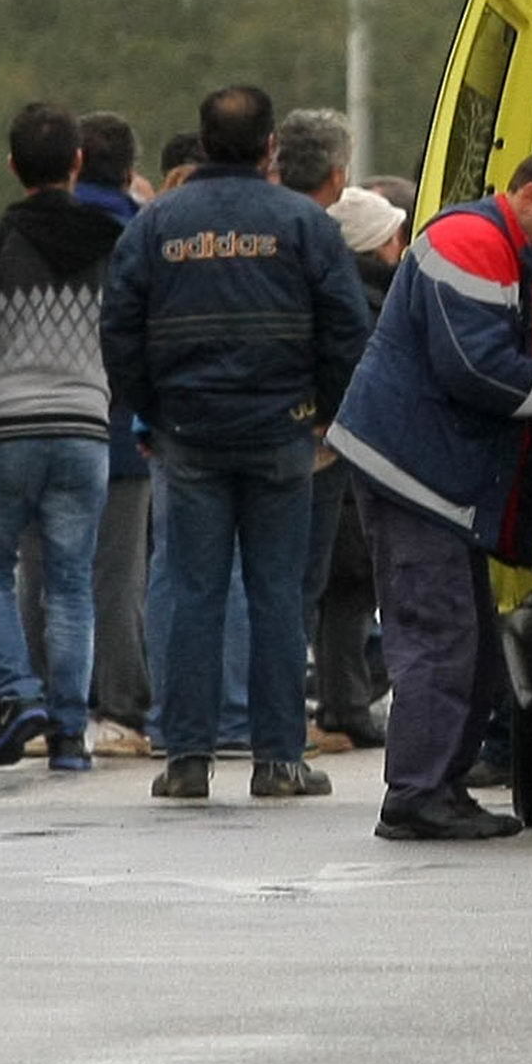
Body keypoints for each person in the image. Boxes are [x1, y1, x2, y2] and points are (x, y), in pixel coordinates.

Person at [102, 83, 370, 805]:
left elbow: (119, 329)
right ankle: (278, 759)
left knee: (192, 593)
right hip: (284, 434)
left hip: (186, 435)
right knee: (278, 594)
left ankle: (187, 758)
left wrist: (152, 413)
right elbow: (347, 326)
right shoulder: (300, 222)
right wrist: (328, 415)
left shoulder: (158, 224)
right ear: (269, 147)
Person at [332, 149, 532, 843]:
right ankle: (417, 795)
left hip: (432, 474)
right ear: (531, 195)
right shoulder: (472, 244)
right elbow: (476, 368)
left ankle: (437, 786)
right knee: (439, 639)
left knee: (469, 644)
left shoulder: (503, 254)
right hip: (416, 475)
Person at [0, 102, 124, 775]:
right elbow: (127, 332)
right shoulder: (113, 242)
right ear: (77, 163)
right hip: (84, 429)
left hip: (4, 428)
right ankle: (71, 733)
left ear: (14, 166)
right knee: (72, 584)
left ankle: (18, 698)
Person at [274, 107, 375, 752]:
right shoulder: (317, 237)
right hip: (308, 437)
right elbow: (345, 335)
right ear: (338, 176)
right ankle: (281, 725)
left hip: (221, 427)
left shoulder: (240, 225)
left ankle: (220, 718)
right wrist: (337, 422)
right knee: (297, 587)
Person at [73, 111, 157, 750]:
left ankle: (53, 702)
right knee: (120, 576)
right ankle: (124, 704)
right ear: (130, 169)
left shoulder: (15, 233)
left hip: (40, 423)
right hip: (125, 427)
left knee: (45, 574)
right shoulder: (140, 235)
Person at [314, 183, 406, 750]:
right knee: (350, 586)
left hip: (326, 453)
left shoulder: (325, 291)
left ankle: (340, 699)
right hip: (358, 460)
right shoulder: (378, 303)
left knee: (331, 591)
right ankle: (346, 704)